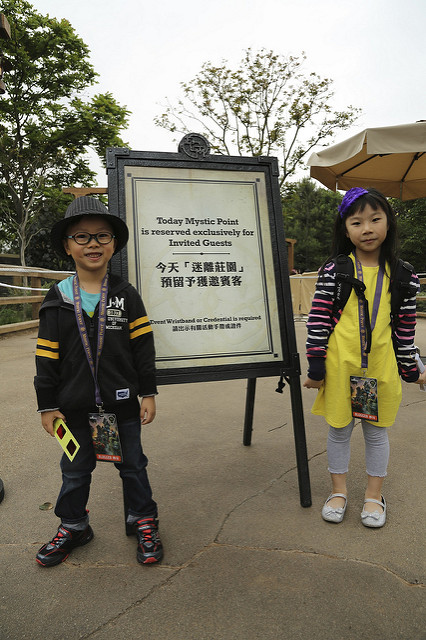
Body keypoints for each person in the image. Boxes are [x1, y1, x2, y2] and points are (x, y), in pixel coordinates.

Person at [34, 196, 163, 566]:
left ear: (113, 244)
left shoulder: (125, 295)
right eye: (82, 236)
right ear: (67, 246)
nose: (92, 243)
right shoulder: (58, 298)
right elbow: (46, 356)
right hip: (72, 409)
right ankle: (74, 526)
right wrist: (47, 405)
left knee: (133, 466)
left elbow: (143, 348)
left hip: (121, 407)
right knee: (75, 472)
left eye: (102, 235)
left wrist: (148, 392)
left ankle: (143, 520)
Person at [303, 187, 425, 528]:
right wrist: (315, 366)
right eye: (356, 223)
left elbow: (405, 330)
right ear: (346, 230)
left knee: (375, 434)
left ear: (389, 222)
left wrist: (410, 370)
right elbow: (318, 321)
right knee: (339, 431)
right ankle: (338, 491)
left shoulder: (404, 275)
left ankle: (374, 496)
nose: (367, 229)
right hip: (340, 369)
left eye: (375, 219)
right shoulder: (335, 270)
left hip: (378, 372)